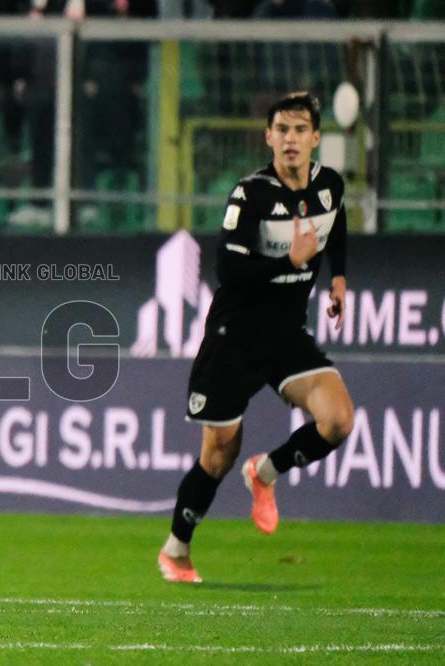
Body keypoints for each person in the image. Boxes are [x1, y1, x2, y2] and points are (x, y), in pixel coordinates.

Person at [158, 92, 354, 583]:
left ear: (315, 138)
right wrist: (289, 261)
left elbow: (336, 223)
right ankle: (176, 549)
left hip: (285, 334)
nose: (291, 139)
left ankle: (265, 472)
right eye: (281, 130)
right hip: (235, 336)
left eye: (300, 130)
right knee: (219, 453)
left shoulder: (330, 186)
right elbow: (229, 270)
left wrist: (338, 277)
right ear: (268, 137)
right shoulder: (251, 195)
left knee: (338, 420)